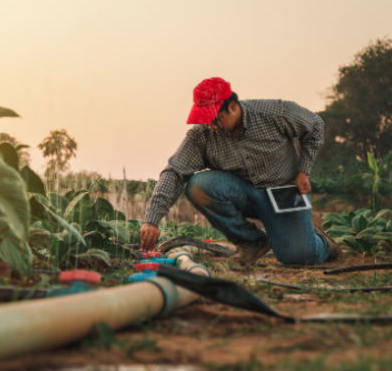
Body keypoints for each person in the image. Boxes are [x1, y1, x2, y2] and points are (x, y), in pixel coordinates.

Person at [139, 77, 341, 265]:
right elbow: (174, 172)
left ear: (233, 107)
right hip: (244, 194)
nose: (211, 126)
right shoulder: (202, 136)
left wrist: (303, 171)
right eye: (206, 120)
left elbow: (315, 125)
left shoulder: (273, 113)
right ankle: (252, 242)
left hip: (284, 192)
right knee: (198, 186)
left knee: (297, 257)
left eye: (215, 120)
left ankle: (321, 242)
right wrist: (151, 220)